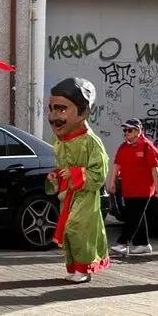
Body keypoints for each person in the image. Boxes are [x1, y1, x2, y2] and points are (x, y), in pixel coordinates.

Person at [45, 77, 110, 283]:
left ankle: (84, 268)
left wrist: (74, 175)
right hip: (68, 194)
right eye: (51, 109)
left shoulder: (91, 142)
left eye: (62, 110)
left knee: (78, 229)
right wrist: (56, 177)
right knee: (68, 232)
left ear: (83, 112)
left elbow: (99, 173)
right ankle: (74, 268)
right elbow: (62, 166)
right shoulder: (60, 141)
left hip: (85, 195)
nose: (54, 116)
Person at [108, 118, 158, 256]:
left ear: (139, 131)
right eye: (125, 130)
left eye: (130, 130)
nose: (126, 133)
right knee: (138, 216)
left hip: (143, 189)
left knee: (133, 216)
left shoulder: (147, 146)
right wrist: (112, 182)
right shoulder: (123, 147)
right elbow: (116, 166)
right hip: (129, 188)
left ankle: (123, 243)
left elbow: (154, 169)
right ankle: (143, 244)